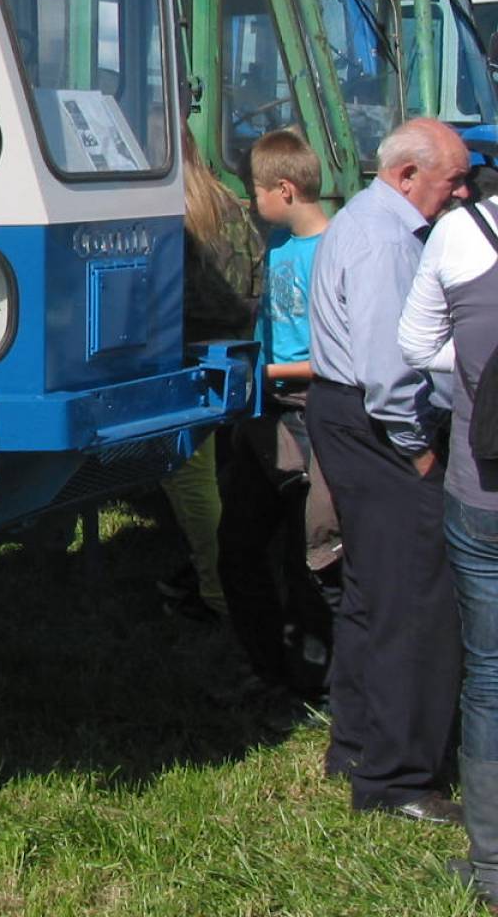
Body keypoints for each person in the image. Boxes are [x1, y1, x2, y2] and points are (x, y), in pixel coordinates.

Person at [309, 117, 468, 823]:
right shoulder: (385, 240)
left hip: (349, 414)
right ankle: (399, 780)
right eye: (452, 181)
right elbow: (390, 365)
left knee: (374, 588)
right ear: (407, 177)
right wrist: (416, 444)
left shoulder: (368, 222)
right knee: (415, 600)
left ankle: (358, 744)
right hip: (378, 424)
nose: (461, 193)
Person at [217, 128, 339, 705]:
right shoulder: (278, 243)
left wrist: (262, 374)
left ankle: (309, 677)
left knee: (305, 557)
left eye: (256, 191)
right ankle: (266, 664)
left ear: (285, 189)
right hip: (264, 410)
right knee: (238, 546)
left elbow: (336, 356)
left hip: (307, 413)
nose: (251, 201)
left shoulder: (334, 252)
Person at [403, 166, 498, 903]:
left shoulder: (464, 232)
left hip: (484, 486)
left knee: (490, 680)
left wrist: (473, 364)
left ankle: (493, 867)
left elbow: (414, 346)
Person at [160, 128, 263, 622]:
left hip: (185, 358)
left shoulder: (166, 214)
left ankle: (218, 591)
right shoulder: (230, 202)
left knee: (190, 481)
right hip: (238, 352)